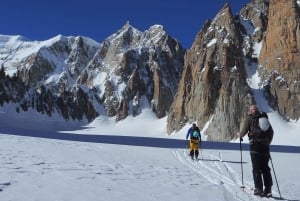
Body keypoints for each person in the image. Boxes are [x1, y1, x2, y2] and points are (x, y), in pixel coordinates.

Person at [237, 105, 273, 197]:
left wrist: (239, 134)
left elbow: (243, 132)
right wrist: (267, 142)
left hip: (255, 146)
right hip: (265, 146)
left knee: (256, 167)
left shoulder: (249, 118)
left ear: (251, 111)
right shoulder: (264, 118)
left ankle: (259, 189)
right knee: (265, 168)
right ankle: (268, 189)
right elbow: (271, 132)